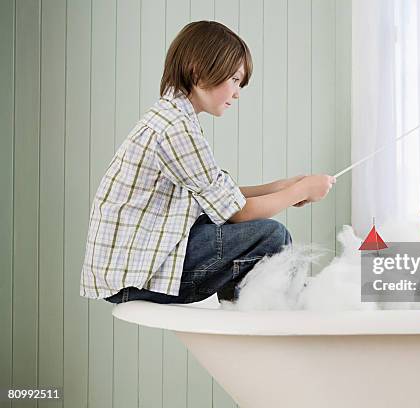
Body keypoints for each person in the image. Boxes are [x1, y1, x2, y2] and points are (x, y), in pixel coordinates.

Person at [79, 21, 335, 305]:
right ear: (199, 72)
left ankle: (250, 312)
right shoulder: (176, 129)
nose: (237, 93)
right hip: (134, 277)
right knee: (271, 235)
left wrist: (280, 187)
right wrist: (300, 192)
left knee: (245, 231)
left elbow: (220, 195)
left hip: (133, 266)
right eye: (235, 80)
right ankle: (265, 316)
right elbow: (236, 212)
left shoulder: (173, 116)